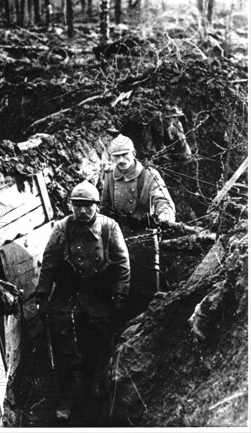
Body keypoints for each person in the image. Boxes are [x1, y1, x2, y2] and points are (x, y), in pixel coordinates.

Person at [35, 180, 130, 422]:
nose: (83, 211)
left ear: (97, 206)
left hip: (98, 293)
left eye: (88, 206)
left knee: (98, 340)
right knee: (61, 338)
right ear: (71, 206)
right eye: (77, 206)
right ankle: (66, 394)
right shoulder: (62, 228)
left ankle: (93, 383)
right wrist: (43, 295)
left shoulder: (110, 228)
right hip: (68, 293)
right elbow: (49, 263)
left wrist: (119, 295)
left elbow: (122, 265)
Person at [100, 134, 176, 321]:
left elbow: (163, 201)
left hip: (144, 237)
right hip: (119, 236)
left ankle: (151, 319)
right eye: (116, 156)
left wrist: (165, 216)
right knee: (117, 280)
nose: (121, 160)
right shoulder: (110, 176)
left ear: (133, 153)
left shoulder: (149, 175)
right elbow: (104, 207)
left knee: (148, 283)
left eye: (125, 155)